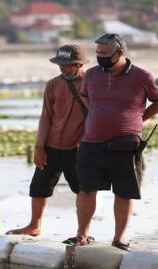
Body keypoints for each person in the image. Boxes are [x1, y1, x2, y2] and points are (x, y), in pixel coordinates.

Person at [65, 33, 158, 251]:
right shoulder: (91, 75)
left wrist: (140, 117)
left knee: (124, 191)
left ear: (120, 52)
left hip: (125, 144)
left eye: (104, 54)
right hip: (91, 142)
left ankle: (119, 238)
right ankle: (82, 235)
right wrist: (96, 113)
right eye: (97, 53)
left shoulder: (142, 75)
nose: (100, 57)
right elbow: (85, 96)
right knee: (86, 189)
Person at [6, 44, 88, 236]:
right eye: (61, 64)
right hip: (51, 145)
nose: (64, 68)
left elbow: (97, 115)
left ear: (80, 63)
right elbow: (46, 117)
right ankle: (34, 226)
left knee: (83, 190)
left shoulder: (91, 83)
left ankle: (82, 232)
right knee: (39, 187)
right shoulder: (53, 84)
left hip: (78, 147)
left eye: (68, 65)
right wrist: (39, 147)